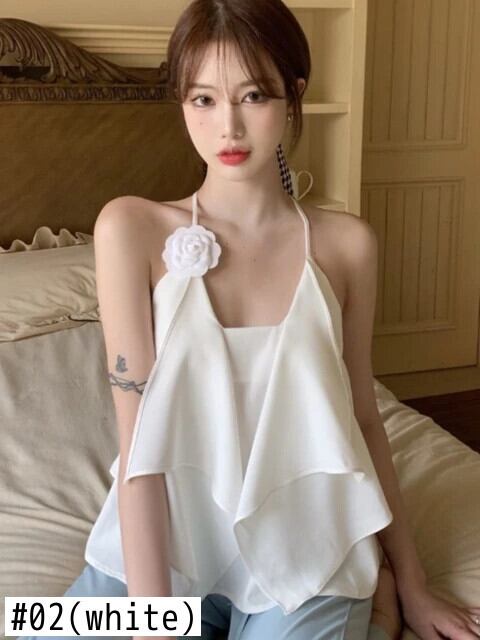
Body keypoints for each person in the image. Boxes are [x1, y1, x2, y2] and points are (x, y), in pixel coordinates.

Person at [19, 1, 480, 639]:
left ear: (293, 96)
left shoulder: (347, 245)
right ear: (182, 103)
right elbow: (139, 444)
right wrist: (151, 621)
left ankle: (376, 591)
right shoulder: (131, 227)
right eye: (203, 99)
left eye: (253, 96)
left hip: (305, 550)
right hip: (166, 542)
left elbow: (363, 416)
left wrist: (416, 584)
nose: (228, 127)